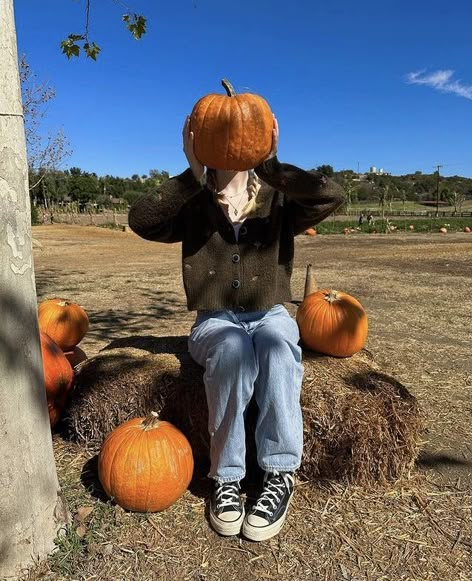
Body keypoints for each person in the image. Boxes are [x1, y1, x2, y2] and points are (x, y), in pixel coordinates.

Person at [128, 114, 344, 541]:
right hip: (216, 319)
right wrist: (191, 176)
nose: (231, 143)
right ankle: (226, 478)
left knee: (279, 347)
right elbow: (142, 220)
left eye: (239, 135)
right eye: (220, 135)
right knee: (231, 352)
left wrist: (273, 166)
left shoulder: (278, 198)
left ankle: (280, 474)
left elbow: (331, 196)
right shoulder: (194, 203)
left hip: (270, 314)